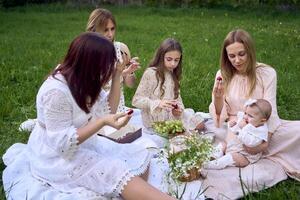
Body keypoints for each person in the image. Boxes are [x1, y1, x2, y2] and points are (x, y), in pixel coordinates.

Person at [2, 33, 175, 200]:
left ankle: (128, 193)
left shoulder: (84, 78)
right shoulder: (56, 93)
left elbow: (108, 111)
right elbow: (62, 145)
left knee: (138, 156)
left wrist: (117, 76)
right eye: (107, 66)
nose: (108, 69)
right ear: (89, 64)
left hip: (86, 142)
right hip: (58, 156)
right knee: (114, 172)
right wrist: (101, 123)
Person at [202, 29, 300, 199]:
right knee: (234, 142)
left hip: (263, 125)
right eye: (232, 56)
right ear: (226, 56)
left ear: (250, 51)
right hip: (236, 125)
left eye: (241, 54)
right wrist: (217, 98)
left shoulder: (267, 73)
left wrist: (264, 141)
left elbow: (271, 111)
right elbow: (220, 117)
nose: (237, 60)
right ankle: (225, 154)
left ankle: (266, 149)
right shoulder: (222, 74)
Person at [86, 8, 140, 113]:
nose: (110, 34)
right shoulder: (87, 54)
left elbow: (130, 84)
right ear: (94, 30)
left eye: (112, 29)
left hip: (119, 109)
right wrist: (120, 72)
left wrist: (130, 71)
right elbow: (92, 87)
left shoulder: (121, 49)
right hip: (95, 111)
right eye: (105, 30)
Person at [204, 98, 272, 169]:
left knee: (231, 158)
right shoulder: (248, 122)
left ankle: (214, 164)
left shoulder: (260, 132)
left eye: (250, 116)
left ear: (262, 121)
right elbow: (236, 131)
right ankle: (214, 156)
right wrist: (233, 126)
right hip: (235, 146)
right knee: (223, 144)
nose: (245, 117)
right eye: (246, 113)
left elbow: (250, 143)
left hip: (245, 155)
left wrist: (242, 129)